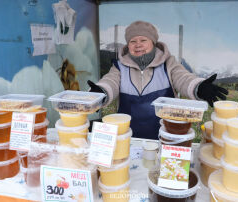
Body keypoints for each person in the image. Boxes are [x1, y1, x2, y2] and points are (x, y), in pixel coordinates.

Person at [88, 20, 228, 140]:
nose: (138, 45)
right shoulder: (119, 67)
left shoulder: (168, 63)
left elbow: (183, 78)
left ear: (153, 43)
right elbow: (110, 82)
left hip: (164, 136)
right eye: (133, 41)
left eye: (143, 40)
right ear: (128, 45)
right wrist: (100, 92)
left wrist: (199, 87)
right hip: (129, 138)